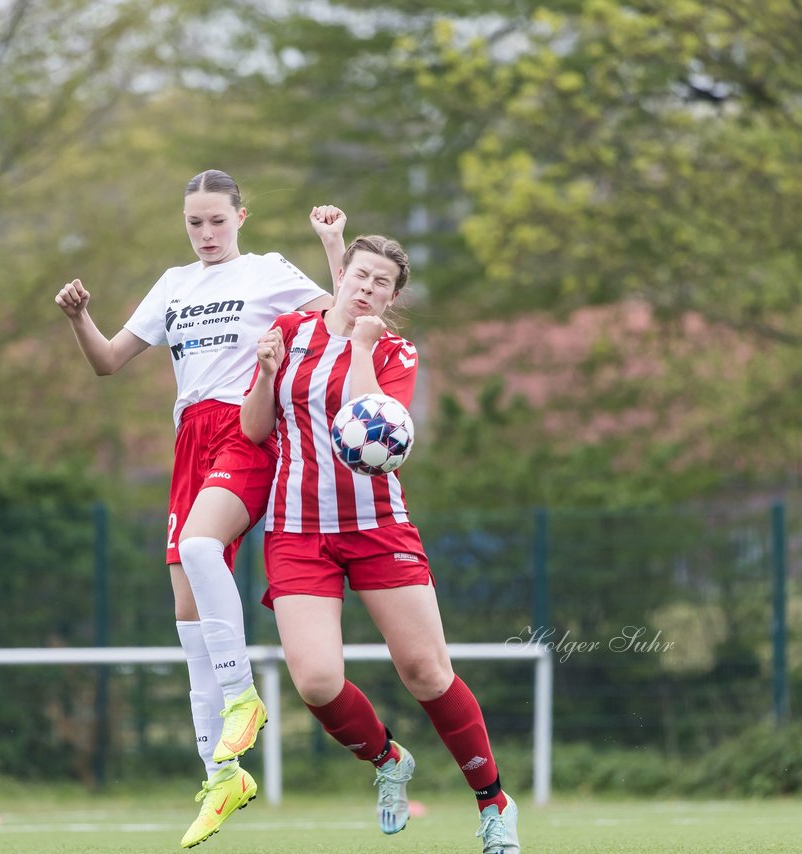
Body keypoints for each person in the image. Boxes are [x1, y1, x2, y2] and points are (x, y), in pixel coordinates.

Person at [54, 169, 345, 849]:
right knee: (187, 620)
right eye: (195, 223)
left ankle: (244, 698)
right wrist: (77, 317)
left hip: (243, 428)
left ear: (242, 217)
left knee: (198, 548)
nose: (207, 233)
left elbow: (342, 315)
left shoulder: (267, 272)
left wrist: (332, 243)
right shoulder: (173, 284)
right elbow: (107, 361)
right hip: (189, 439)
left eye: (218, 220)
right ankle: (222, 775)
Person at [240, 234, 521, 852]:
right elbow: (256, 429)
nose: (366, 288)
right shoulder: (290, 331)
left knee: (425, 670)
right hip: (297, 529)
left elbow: (379, 430)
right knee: (315, 682)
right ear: (340, 275)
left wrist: (362, 345)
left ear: (392, 297)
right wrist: (264, 374)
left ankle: (494, 803)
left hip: (377, 528)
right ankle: (388, 759)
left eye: (381, 284)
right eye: (359, 276)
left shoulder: (395, 350)